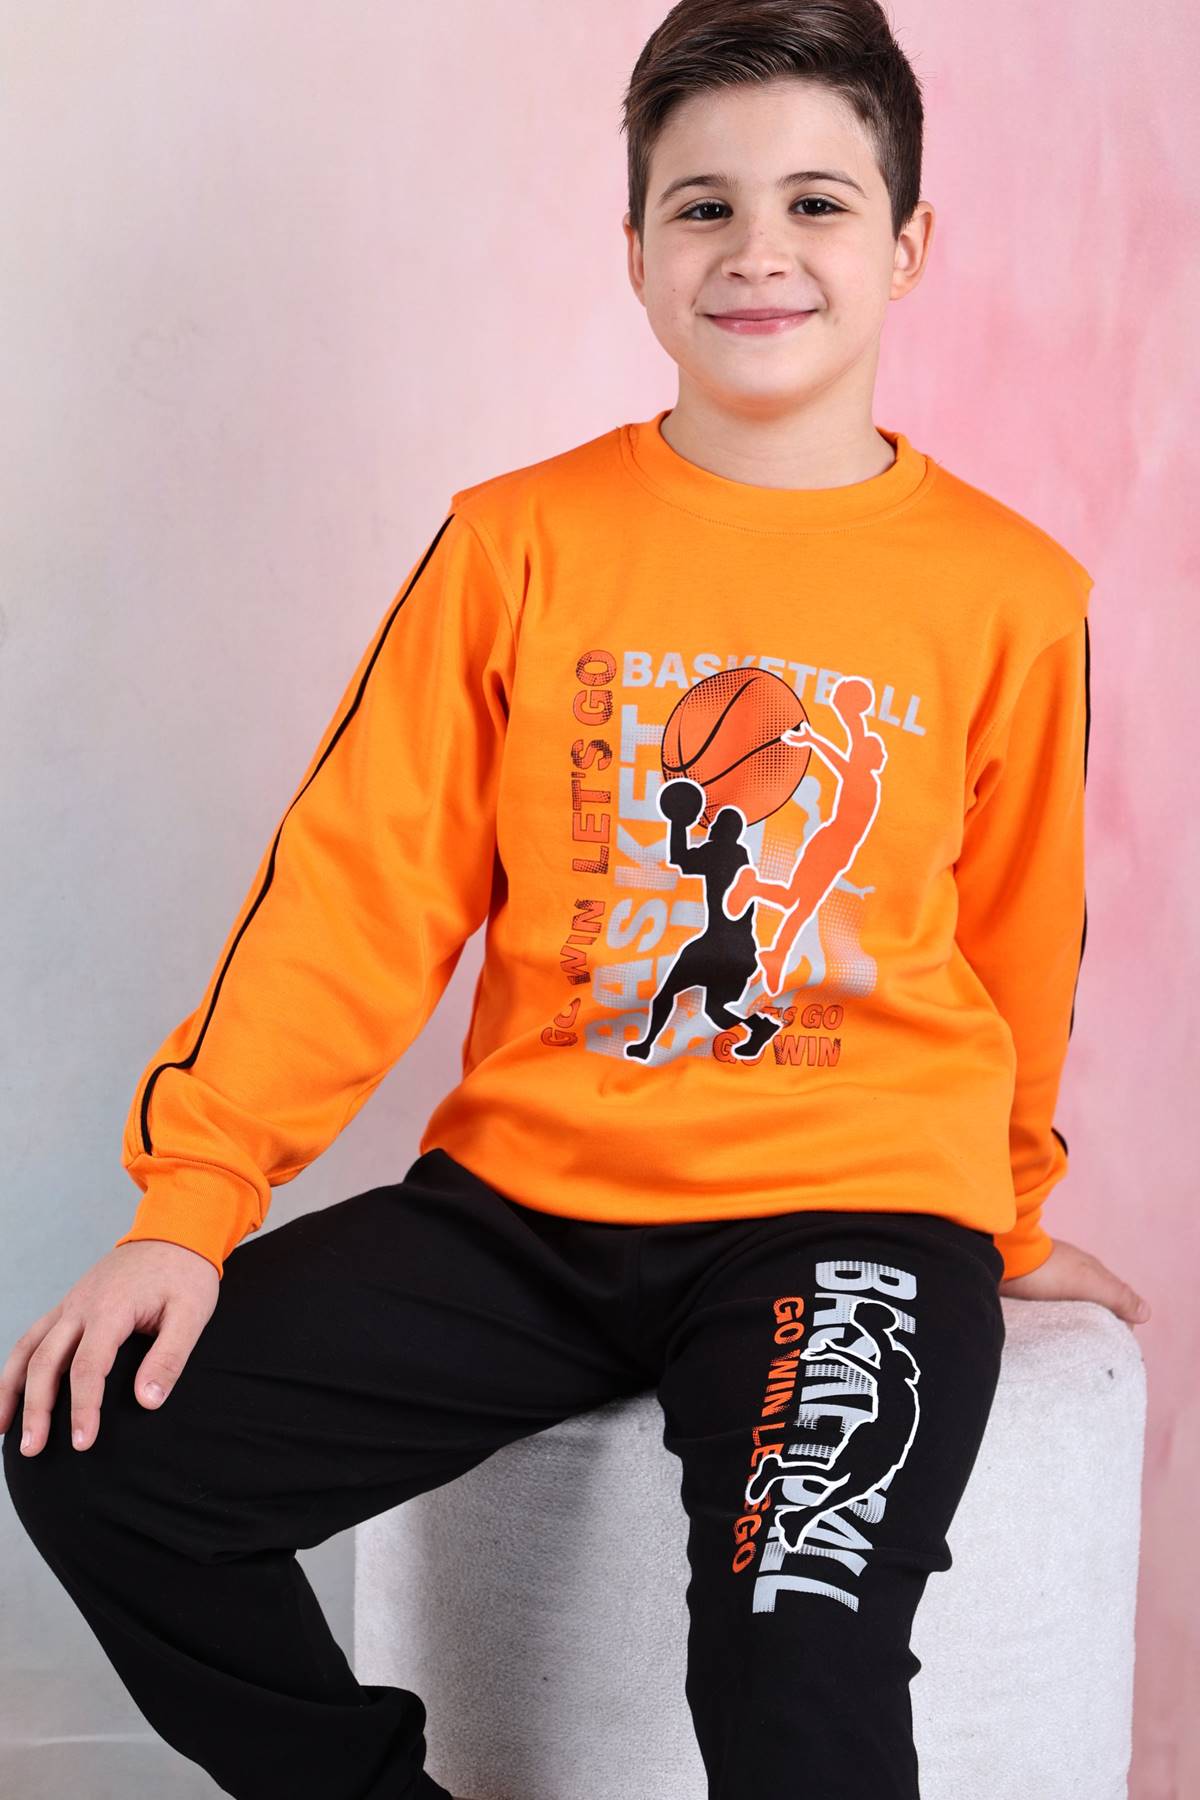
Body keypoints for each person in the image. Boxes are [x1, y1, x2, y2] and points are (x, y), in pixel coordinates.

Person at [2, 2, 1149, 1796]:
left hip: (847, 1223)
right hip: (526, 1215)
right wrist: (192, 1200)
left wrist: (1001, 1217)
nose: (758, 249)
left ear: (909, 244)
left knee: (796, 1669)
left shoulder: (1013, 593)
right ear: (632, 249)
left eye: (819, 202)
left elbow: (1023, 936)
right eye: (703, 206)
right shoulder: (515, 544)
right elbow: (358, 885)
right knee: (98, 1455)